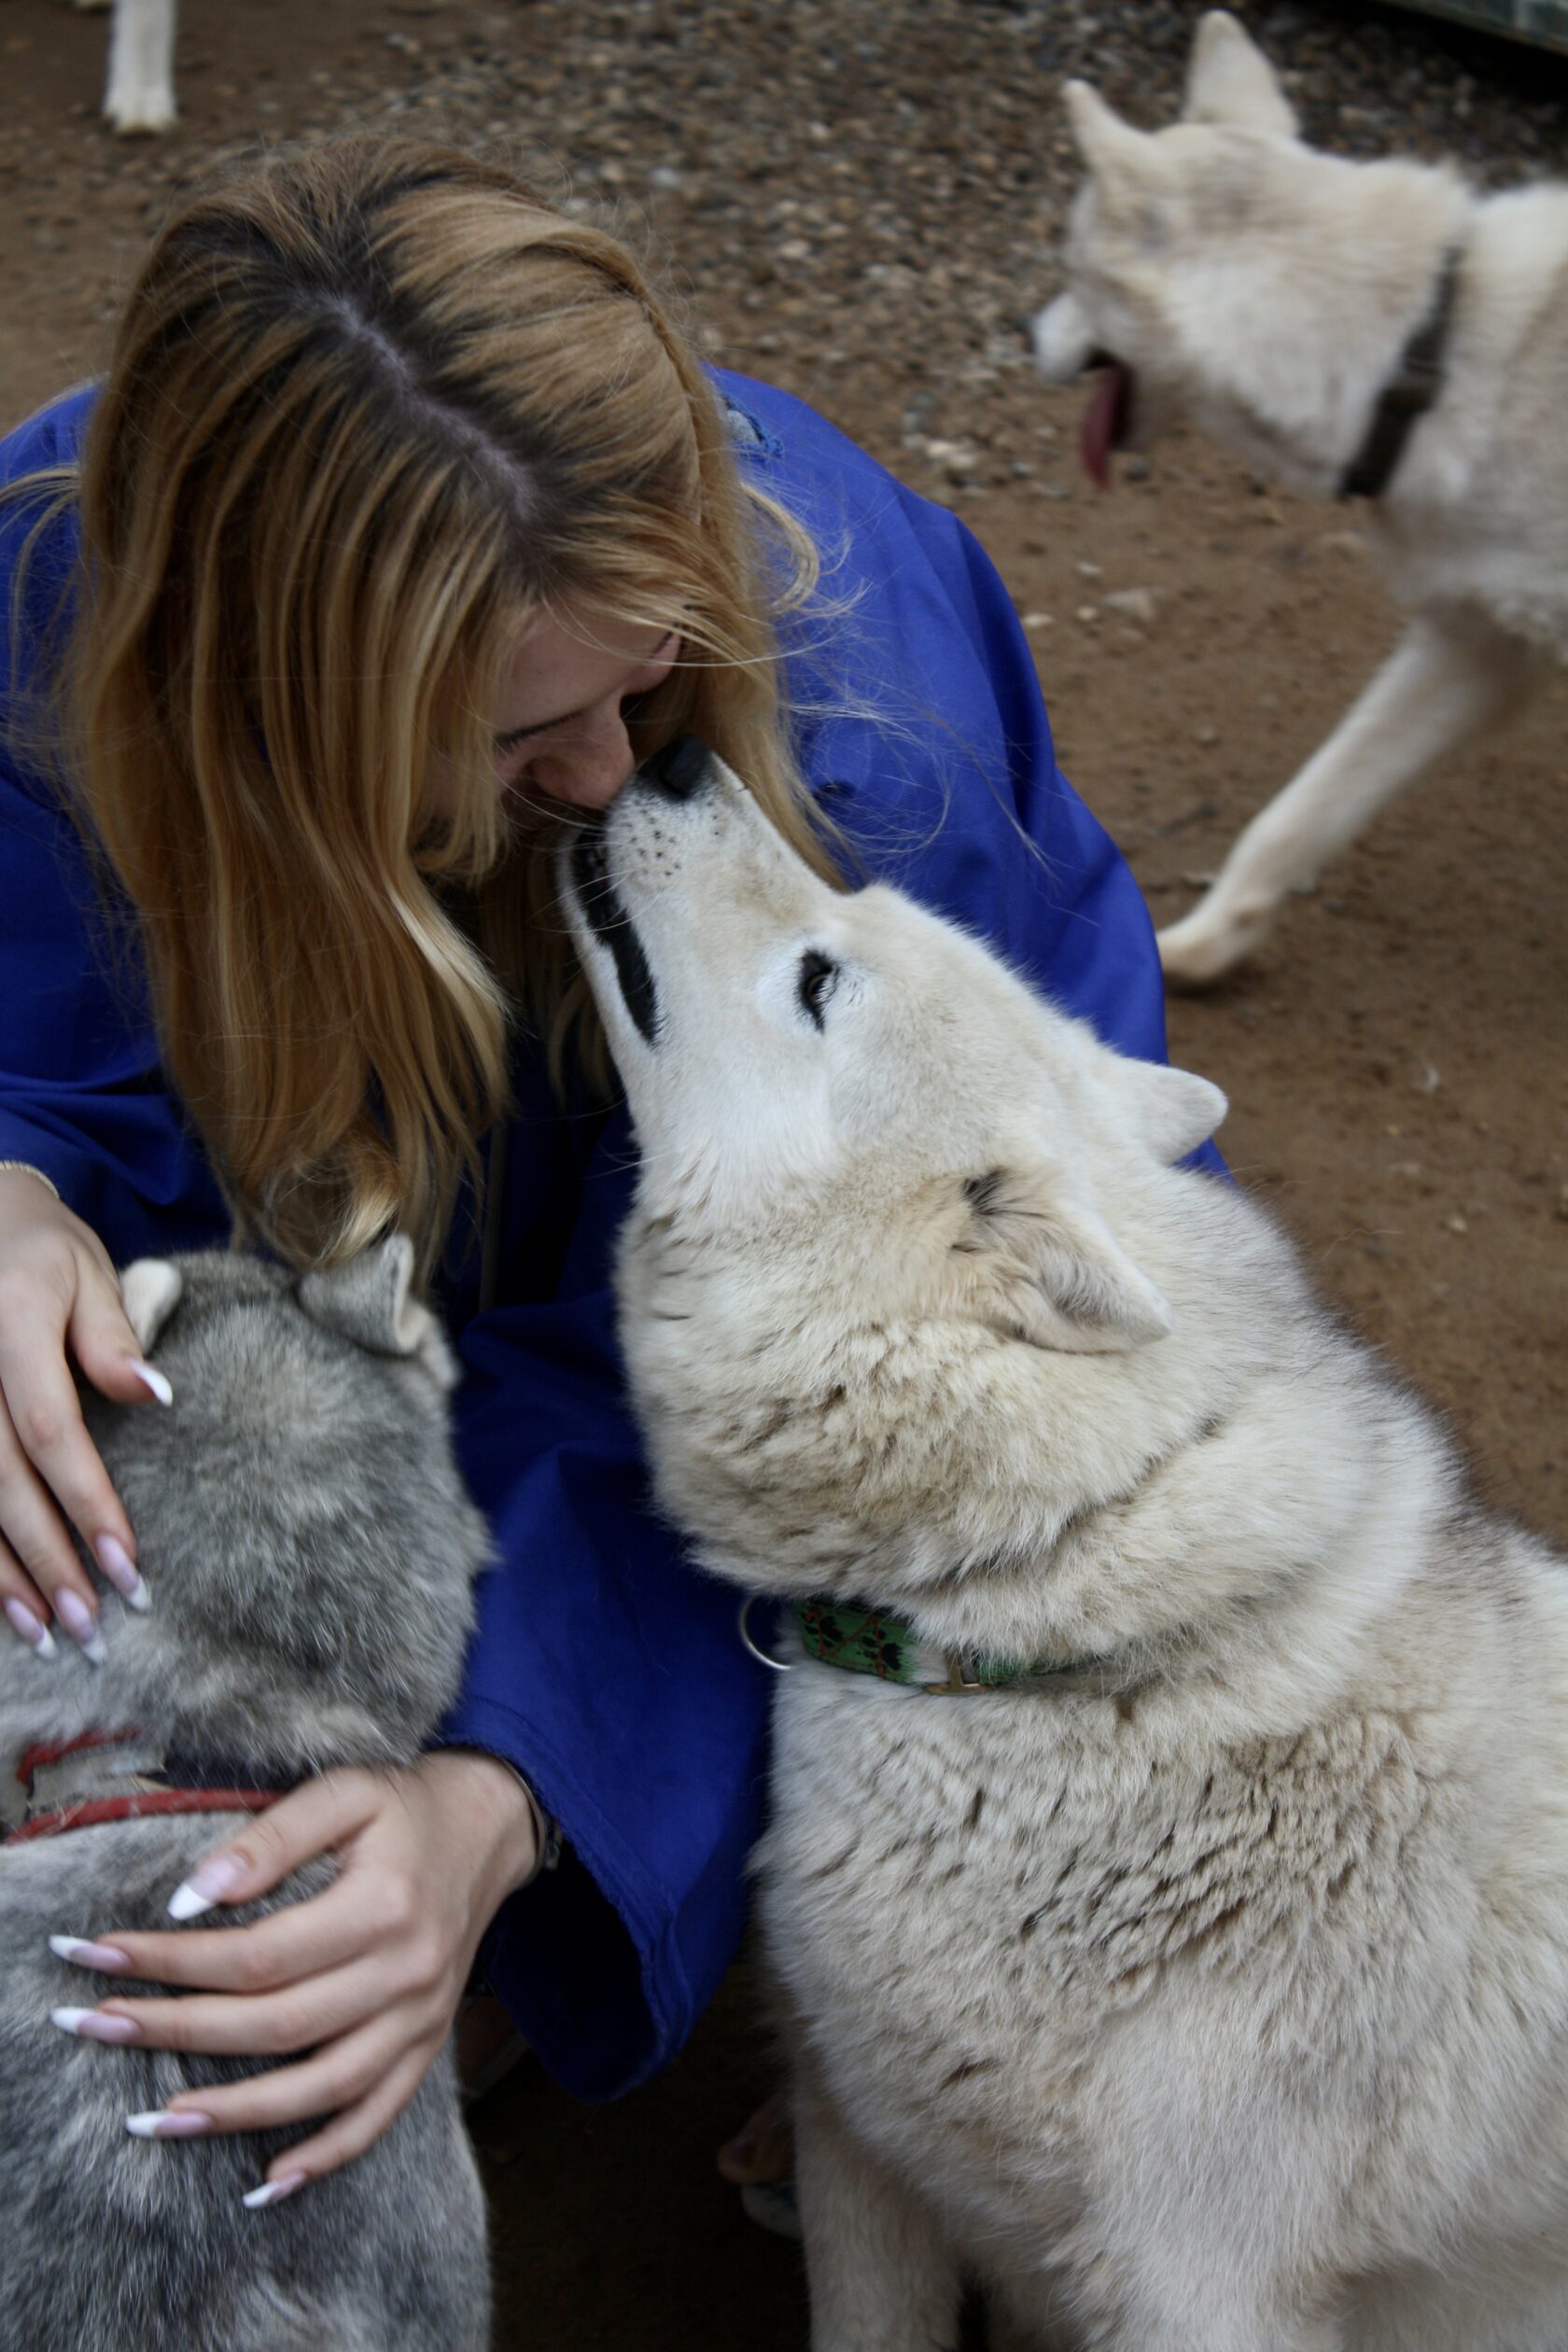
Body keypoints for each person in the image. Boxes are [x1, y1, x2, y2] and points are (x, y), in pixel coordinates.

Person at [0, 137, 1205, 2205]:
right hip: (404, 1136)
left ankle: (560, 1911)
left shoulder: (848, 762)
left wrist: (499, 1796)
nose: (597, 772)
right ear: (237, 688)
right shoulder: (61, 551)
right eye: (501, 734)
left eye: (641, 671)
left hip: (808, 1225)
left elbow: (794, 1392)